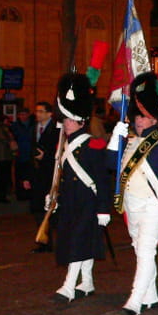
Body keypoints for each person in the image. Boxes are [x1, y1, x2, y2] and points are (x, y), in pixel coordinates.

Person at [107, 71, 158, 315]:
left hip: (153, 205)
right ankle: (151, 295)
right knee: (138, 248)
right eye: (137, 116)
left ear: (154, 120)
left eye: (144, 117)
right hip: (131, 205)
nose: (139, 121)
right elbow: (111, 164)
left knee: (145, 252)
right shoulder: (128, 141)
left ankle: (135, 298)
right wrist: (114, 138)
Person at [51, 73, 112, 303]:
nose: (65, 124)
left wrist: (104, 209)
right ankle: (86, 282)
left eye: (68, 120)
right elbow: (61, 174)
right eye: (64, 120)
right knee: (79, 241)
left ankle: (68, 286)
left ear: (80, 121)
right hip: (70, 201)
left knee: (77, 242)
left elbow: (102, 180)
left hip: (87, 201)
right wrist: (53, 195)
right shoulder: (64, 144)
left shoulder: (93, 145)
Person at [22, 101, 60, 253]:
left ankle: (61, 240)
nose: (37, 114)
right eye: (36, 111)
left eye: (41, 111)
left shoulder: (56, 130)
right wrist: (26, 177)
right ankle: (44, 241)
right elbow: (28, 153)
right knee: (37, 209)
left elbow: (60, 152)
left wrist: (47, 156)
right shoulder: (34, 129)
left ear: (49, 113)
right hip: (36, 175)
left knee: (54, 209)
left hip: (51, 174)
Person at [10, 107, 35, 200]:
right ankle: (20, 194)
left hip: (30, 154)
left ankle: (29, 193)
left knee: (29, 174)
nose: (23, 116)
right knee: (19, 175)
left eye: (24, 114)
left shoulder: (33, 125)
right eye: (21, 114)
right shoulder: (15, 126)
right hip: (19, 154)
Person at [0, 114, 17, 203]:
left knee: (0, 176)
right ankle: (2, 196)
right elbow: (8, 140)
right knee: (3, 177)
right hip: (4, 156)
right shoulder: (2, 128)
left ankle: (1, 195)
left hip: (0, 156)